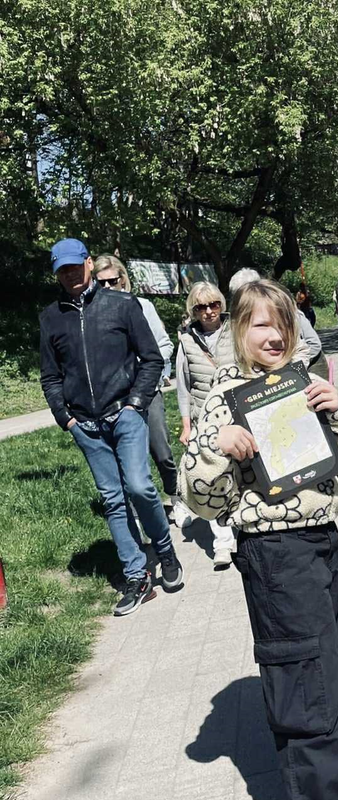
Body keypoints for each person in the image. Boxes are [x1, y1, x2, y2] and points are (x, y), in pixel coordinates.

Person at [179, 278, 338, 800]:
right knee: (309, 701)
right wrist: (215, 447)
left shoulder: (307, 382)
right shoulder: (223, 399)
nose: (273, 336)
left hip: (325, 543)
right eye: (259, 324)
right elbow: (202, 500)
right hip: (275, 557)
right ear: (237, 331)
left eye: (282, 323)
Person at [39, 238, 184, 616]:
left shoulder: (122, 305)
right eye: (62, 270)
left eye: (75, 266)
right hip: (85, 425)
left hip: (125, 414)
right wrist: (66, 418)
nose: (70, 274)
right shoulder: (51, 317)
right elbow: (50, 376)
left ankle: (165, 551)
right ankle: (137, 575)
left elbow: (151, 359)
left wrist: (136, 405)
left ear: (88, 264)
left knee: (139, 485)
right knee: (113, 499)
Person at [93, 254, 189, 527]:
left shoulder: (143, 306)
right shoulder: (93, 313)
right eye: (103, 283)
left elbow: (164, 344)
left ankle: (176, 497)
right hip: (116, 398)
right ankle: (138, 512)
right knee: (127, 457)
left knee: (160, 449)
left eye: (114, 280)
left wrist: (156, 373)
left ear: (124, 278)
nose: (110, 286)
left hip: (147, 390)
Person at [172, 281, 238, 568]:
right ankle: (223, 542)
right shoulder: (185, 342)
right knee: (213, 476)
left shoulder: (235, 329)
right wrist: (187, 425)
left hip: (239, 411)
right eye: (201, 307)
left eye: (214, 305)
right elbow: (183, 387)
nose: (209, 312)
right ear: (193, 310)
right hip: (205, 419)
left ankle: (246, 522)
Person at [230, 267, 323, 366]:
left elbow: (313, 343)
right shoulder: (229, 375)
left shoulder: (292, 313)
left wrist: (294, 367)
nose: (276, 337)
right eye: (262, 325)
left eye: (283, 325)